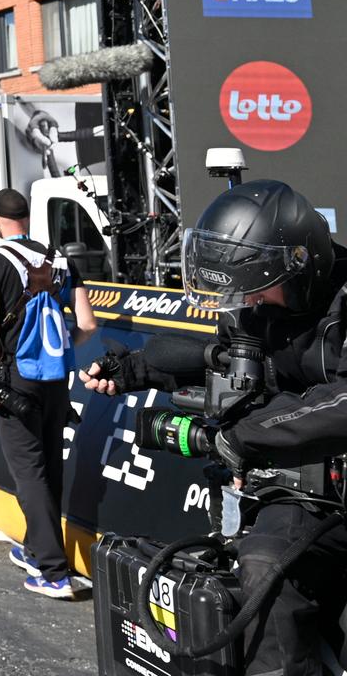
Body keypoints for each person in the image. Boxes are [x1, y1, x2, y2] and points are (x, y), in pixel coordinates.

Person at [82, 180, 347, 675]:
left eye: (255, 287)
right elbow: (234, 364)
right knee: (265, 568)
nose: (245, 300)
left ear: (299, 266)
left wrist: (245, 438)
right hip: (304, 491)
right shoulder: (256, 304)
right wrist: (138, 371)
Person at [0, 187, 96, 599]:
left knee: (29, 472)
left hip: (14, 378)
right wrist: (54, 350)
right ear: (27, 218)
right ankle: (34, 546)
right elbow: (89, 325)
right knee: (49, 468)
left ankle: (53, 572)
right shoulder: (60, 259)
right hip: (56, 378)